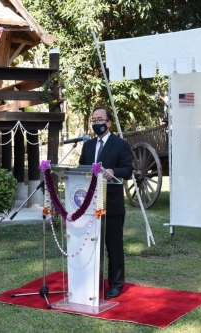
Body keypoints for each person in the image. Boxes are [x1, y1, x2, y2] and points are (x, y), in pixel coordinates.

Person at [78, 106, 133, 299]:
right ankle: (94, 280)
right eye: (93, 120)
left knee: (113, 245)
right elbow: (81, 169)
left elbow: (128, 170)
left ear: (109, 123)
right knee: (92, 244)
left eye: (100, 120)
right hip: (90, 204)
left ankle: (116, 284)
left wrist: (114, 171)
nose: (96, 123)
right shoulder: (88, 145)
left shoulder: (120, 144)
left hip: (112, 204)